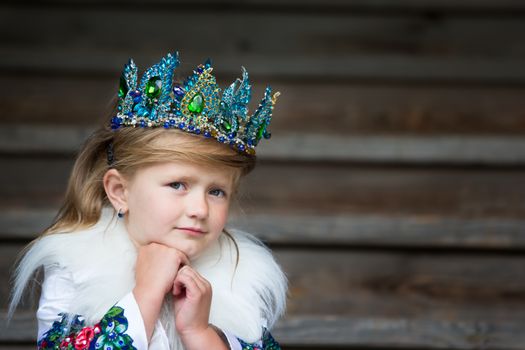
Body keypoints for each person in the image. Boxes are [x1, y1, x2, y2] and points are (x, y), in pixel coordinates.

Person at [9, 52, 287, 350]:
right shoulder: (77, 269)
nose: (199, 209)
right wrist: (146, 294)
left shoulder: (238, 279)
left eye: (216, 191)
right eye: (177, 184)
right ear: (119, 191)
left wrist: (198, 332)